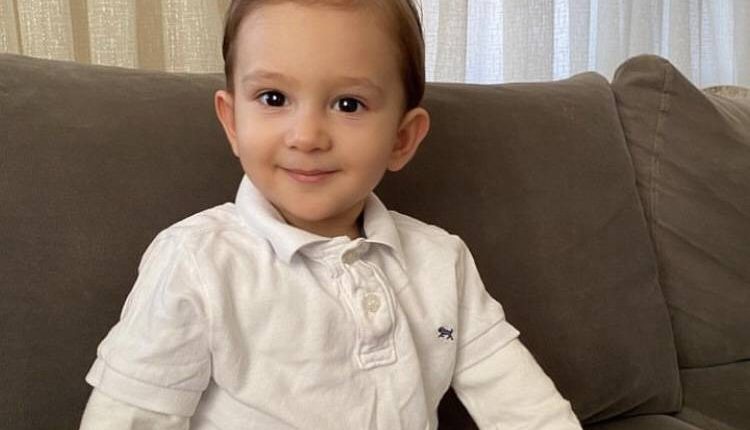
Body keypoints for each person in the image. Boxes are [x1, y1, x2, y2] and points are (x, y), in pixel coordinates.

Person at [79, 1, 582, 429]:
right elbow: (127, 418)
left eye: (348, 104)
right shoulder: (196, 261)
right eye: (274, 98)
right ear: (232, 122)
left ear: (402, 138)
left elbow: (527, 410)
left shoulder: (441, 260)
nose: (307, 136)